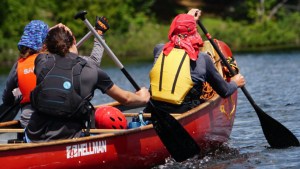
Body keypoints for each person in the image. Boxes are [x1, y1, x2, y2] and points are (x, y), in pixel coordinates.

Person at [25, 24, 150, 142]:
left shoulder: (41, 62)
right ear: (74, 40)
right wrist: (142, 98)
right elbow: (126, 99)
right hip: (68, 138)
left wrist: (53, 31)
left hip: (33, 136)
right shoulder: (91, 70)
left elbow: (44, 50)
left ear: (48, 45)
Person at [1, 17, 108, 128]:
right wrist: (99, 34)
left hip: (29, 123)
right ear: (46, 42)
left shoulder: (18, 65)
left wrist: (21, 95)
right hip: (59, 120)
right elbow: (94, 62)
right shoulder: (55, 59)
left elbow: (7, 99)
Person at [144, 9, 245, 113]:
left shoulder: (159, 49)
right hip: (182, 113)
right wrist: (235, 83)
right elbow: (225, 91)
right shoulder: (203, 59)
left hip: (154, 111)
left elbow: (176, 43)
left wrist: (187, 20)